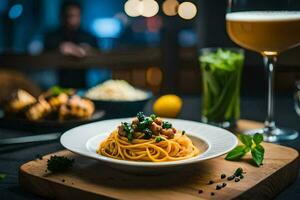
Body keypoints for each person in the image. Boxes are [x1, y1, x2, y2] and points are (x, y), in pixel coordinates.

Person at [44, 1, 98, 88]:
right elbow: (45, 53)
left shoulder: (88, 36)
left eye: (75, 16)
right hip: (56, 83)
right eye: (69, 16)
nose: (72, 19)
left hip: (83, 84)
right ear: (62, 16)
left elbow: (98, 53)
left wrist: (83, 50)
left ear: (80, 16)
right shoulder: (52, 36)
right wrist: (63, 48)